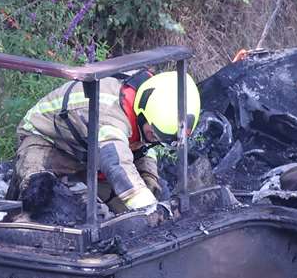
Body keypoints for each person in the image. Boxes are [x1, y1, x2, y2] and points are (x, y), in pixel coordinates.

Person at [13, 68, 200, 214]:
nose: (156, 139)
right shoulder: (110, 115)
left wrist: (149, 179)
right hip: (46, 140)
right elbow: (116, 164)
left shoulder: (150, 110)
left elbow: (145, 146)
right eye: (155, 134)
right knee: (39, 194)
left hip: (89, 153)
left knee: (132, 208)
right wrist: (148, 208)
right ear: (143, 114)